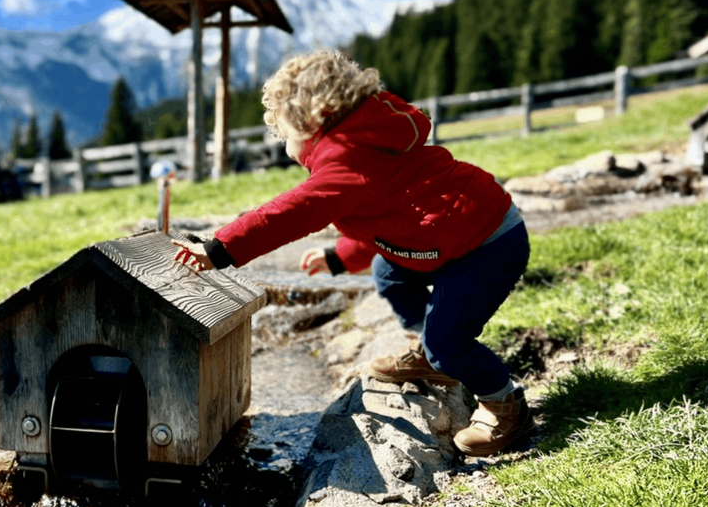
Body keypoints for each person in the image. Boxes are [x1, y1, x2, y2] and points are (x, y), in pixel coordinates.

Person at [172, 50, 533, 457]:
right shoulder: (367, 141)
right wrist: (341, 257)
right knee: (388, 274)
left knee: (449, 339)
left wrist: (219, 249)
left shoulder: (346, 159)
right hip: (459, 233)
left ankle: (504, 404)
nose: (283, 141)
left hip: (485, 247)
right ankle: (432, 354)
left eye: (285, 130)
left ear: (313, 119)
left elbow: (287, 214)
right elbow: (388, 216)